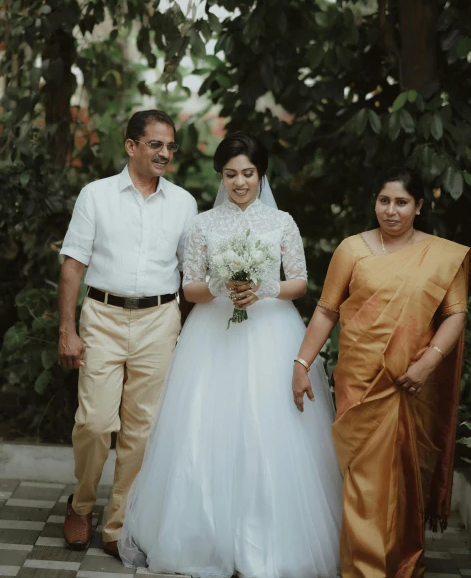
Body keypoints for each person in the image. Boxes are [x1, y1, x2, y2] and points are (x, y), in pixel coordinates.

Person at [119, 132, 342, 578]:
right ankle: (203, 538)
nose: (240, 182)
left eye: (248, 173)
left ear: (261, 175)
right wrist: (225, 286)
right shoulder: (203, 224)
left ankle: (271, 543)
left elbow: (299, 280)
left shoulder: (281, 222)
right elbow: (190, 288)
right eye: (231, 174)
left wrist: (264, 290)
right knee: (208, 427)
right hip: (212, 336)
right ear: (220, 176)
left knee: (270, 429)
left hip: (271, 329)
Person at [292, 167, 471, 578]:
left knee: (405, 478)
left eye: (402, 202)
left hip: (412, 382)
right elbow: (326, 310)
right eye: (384, 201)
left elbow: (455, 315)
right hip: (359, 380)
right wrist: (301, 364)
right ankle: (363, 569)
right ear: (374, 202)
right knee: (364, 480)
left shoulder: (443, 255)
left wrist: (428, 362)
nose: (391, 211)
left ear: (419, 206)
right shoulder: (352, 249)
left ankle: (404, 563)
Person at [58, 110, 197, 555]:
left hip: (160, 319)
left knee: (143, 429)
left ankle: (118, 525)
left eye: (171, 146)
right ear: (132, 145)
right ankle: (81, 504)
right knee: (95, 423)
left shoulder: (183, 203)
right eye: (156, 144)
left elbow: (190, 275)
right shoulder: (95, 195)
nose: (165, 153)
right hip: (102, 316)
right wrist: (67, 328)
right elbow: (73, 263)